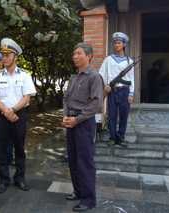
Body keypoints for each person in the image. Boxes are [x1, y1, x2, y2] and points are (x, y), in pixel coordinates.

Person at [0, 38, 36, 193]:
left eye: (8, 55)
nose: (5, 58)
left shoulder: (25, 75)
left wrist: (12, 110)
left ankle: (20, 178)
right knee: (1, 148)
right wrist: (6, 111)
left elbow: (27, 97)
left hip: (18, 115)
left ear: (16, 56)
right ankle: (4, 180)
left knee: (19, 148)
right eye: (3, 55)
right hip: (2, 115)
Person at [63, 42, 103, 212]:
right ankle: (78, 191)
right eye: (74, 54)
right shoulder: (74, 77)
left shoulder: (94, 77)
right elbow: (66, 98)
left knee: (85, 161)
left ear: (89, 56)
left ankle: (88, 199)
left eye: (79, 53)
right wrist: (66, 116)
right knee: (72, 159)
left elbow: (96, 104)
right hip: (70, 121)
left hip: (84, 123)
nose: (75, 56)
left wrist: (77, 119)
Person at [99, 32, 134, 147]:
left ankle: (121, 137)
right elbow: (101, 74)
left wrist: (131, 94)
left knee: (124, 115)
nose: (116, 45)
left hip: (124, 91)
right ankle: (112, 137)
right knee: (112, 115)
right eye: (115, 43)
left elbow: (131, 79)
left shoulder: (130, 61)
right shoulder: (108, 59)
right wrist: (105, 86)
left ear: (124, 44)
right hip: (112, 91)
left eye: (119, 43)